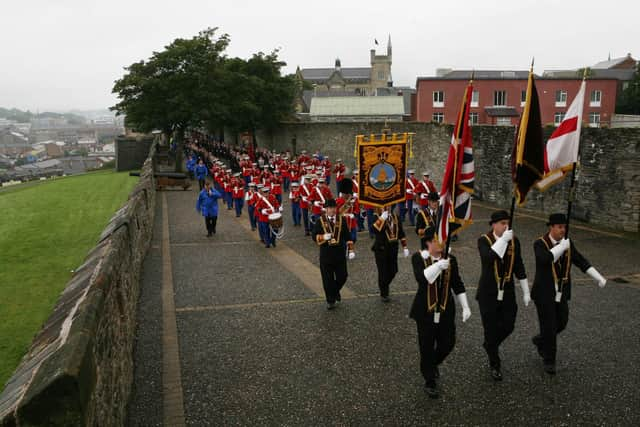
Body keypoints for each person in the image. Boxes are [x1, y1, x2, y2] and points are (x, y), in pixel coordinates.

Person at [531, 213, 607, 375]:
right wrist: (561, 247)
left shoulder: (568, 243)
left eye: (564, 227)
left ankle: (541, 340)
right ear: (551, 227)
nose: (563, 230)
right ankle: (549, 360)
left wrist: (598, 277)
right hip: (544, 294)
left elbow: (580, 261)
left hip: (562, 292)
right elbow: (545, 260)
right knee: (549, 327)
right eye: (559, 227)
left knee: (562, 322)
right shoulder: (540, 243)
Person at [410, 227, 471, 398]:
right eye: (438, 240)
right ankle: (429, 380)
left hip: (445, 309)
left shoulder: (451, 260)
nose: (442, 243)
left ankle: (432, 364)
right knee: (426, 346)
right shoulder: (418, 258)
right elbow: (422, 279)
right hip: (425, 311)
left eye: (443, 239)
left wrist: (465, 306)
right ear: (428, 242)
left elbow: (457, 284)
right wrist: (438, 266)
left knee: (448, 343)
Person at [477, 210, 529, 381]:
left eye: (507, 223)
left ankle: (490, 345)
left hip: (507, 292)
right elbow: (488, 258)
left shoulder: (515, 241)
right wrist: (504, 241)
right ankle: (495, 364)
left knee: (509, 325)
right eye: (502, 223)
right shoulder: (483, 240)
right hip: (488, 293)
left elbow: (519, 265)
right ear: (493, 224)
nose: (505, 226)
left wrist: (526, 290)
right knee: (490, 328)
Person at [312, 199, 353, 309]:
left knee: (343, 276)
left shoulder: (341, 220)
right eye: (330, 208)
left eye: (334, 208)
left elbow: (347, 235)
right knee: (327, 280)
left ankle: (335, 291)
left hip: (339, 254)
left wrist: (351, 249)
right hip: (326, 254)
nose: (332, 210)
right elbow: (314, 236)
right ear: (326, 209)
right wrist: (323, 237)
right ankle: (330, 301)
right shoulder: (320, 221)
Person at [372, 205, 410, 302]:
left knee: (394, 270)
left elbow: (401, 232)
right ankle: (384, 293)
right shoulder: (376, 216)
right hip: (381, 249)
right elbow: (374, 230)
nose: (387, 207)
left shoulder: (395, 217)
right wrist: (382, 219)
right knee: (383, 272)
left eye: (388, 205)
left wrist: (405, 246)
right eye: (384, 206)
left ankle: (384, 285)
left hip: (393, 248)